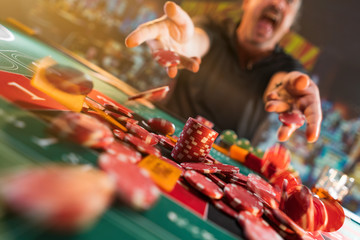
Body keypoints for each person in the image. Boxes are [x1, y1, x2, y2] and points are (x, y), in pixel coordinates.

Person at [125, 0, 322, 143]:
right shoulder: (213, 28)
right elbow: (197, 40)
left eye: (289, 1)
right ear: (247, 2)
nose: (278, 3)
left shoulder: (286, 66)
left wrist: (291, 88)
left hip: (221, 172)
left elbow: (283, 82)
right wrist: (181, 44)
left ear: (289, 25)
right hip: (160, 136)